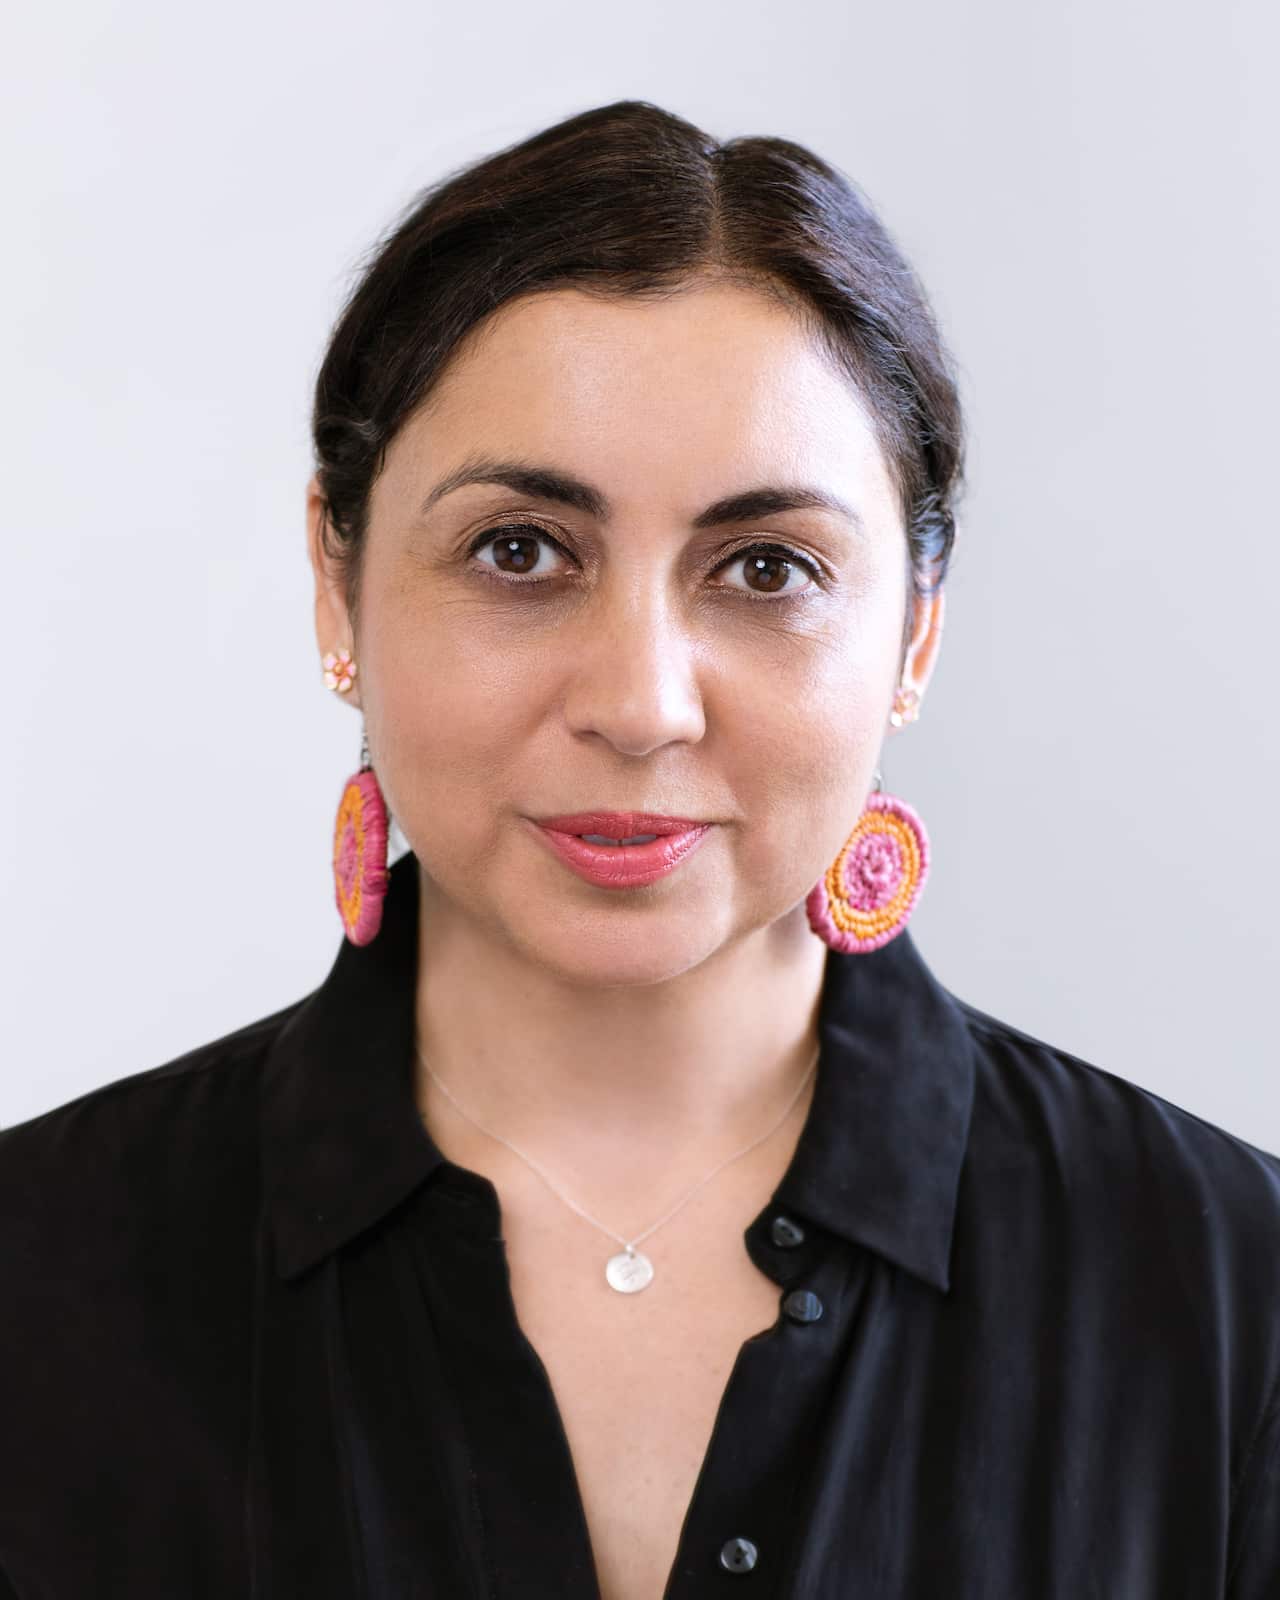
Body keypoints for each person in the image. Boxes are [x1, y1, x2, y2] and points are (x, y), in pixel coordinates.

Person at [1, 98, 1277, 1600]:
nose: (638, 705)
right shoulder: (40, 1278)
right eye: (521, 551)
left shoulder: (1234, 1304)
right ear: (337, 585)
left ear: (915, 635)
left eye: (764, 568)